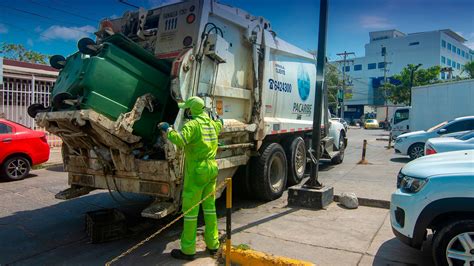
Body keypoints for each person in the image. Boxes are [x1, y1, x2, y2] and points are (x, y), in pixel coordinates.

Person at [158, 96, 223, 261]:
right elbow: (220, 124)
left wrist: (168, 129)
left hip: (197, 171)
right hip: (212, 169)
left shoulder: (193, 125)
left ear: (190, 110)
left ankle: (188, 250)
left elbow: (180, 140)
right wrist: (219, 120)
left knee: (191, 212)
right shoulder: (210, 124)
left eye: (186, 109)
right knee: (209, 208)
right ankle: (213, 245)